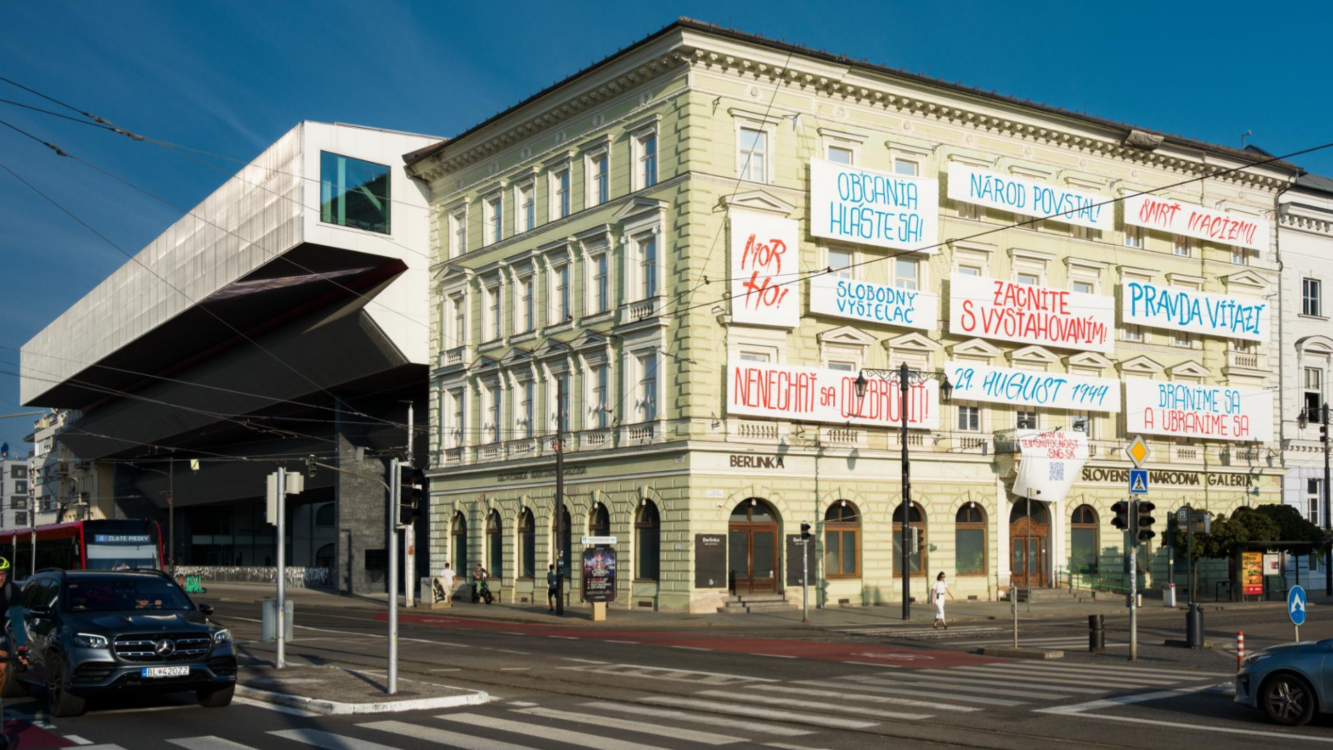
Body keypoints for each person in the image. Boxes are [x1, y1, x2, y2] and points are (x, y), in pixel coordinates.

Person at [0, 558, 28, 697]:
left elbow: (17, 621)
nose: (0, 578)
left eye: (3, 574)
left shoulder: (12, 590)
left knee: (3, 666)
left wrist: (22, 649)